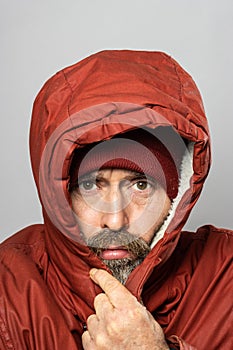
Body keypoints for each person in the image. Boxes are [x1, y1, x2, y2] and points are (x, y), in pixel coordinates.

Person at [0, 50, 232, 350]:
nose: (115, 219)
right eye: (89, 185)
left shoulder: (225, 279)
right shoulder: (9, 290)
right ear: (59, 193)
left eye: (140, 185)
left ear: (177, 197)